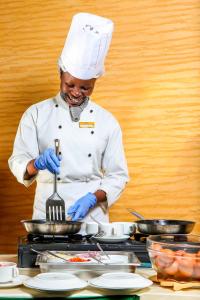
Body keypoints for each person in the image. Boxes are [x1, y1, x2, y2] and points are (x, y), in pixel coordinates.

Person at [8, 12, 129, 224]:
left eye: (86, 88)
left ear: (94, 84)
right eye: (70, 84)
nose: (76, 92)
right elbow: (17, 162)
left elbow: (118, 176)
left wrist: (93, 198)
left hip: (92, 219)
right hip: (48, 217)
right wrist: (37, 163)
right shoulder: (36, 114)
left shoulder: (107, 121)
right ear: (60, 74)